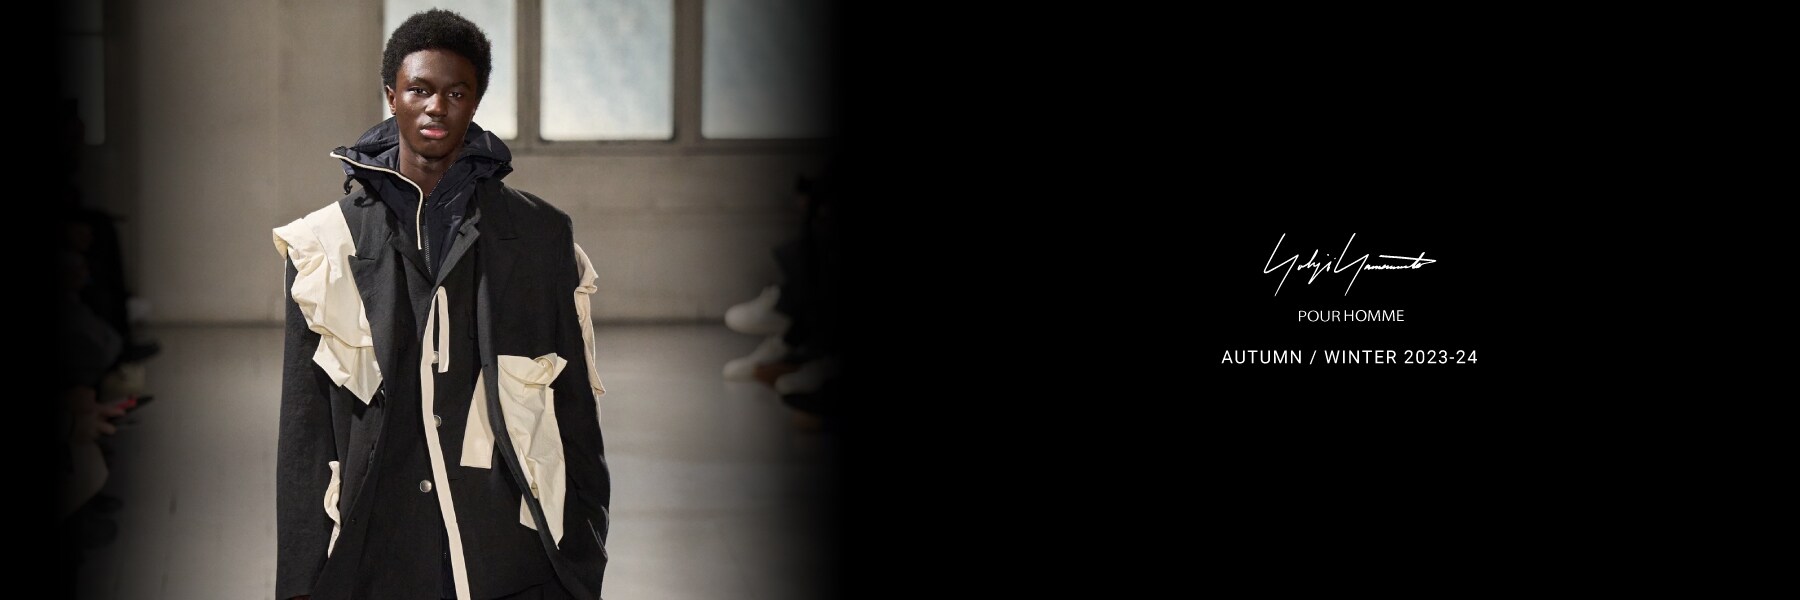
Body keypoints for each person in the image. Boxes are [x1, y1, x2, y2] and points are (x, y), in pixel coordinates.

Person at [272, 9, 611, 600]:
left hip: (510, 553)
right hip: (379, 549)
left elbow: (574, 407)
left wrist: (585, 549)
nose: (436, 107)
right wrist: (301, 583)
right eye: (419, 90)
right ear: (391, 95)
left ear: (475, 102)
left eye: (456, 93)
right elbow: (306, 432)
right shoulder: (324, 245)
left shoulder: (540, 236)